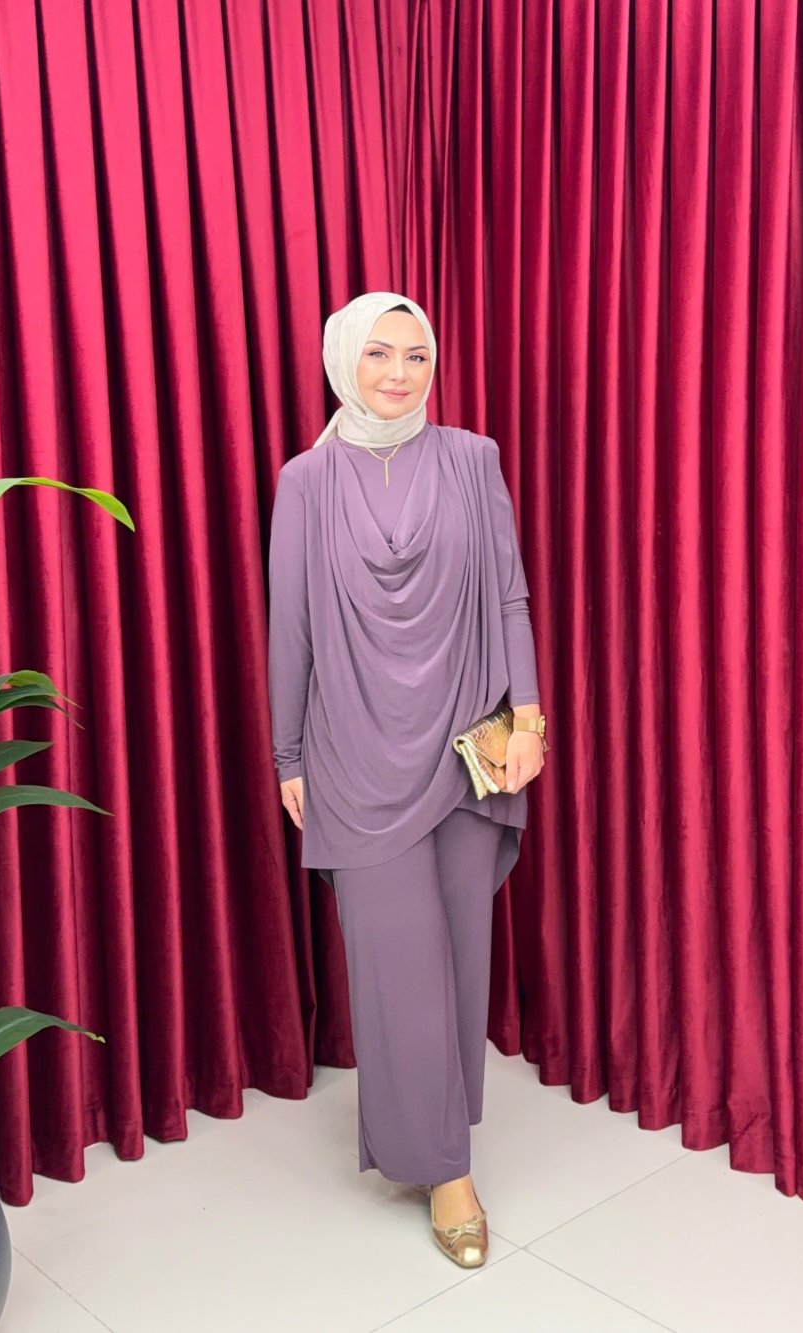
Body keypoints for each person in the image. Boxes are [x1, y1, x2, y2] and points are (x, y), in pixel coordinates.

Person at [266, 291, 547, 1267]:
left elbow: (508, 592)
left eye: (416, 354)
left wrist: (529, 717)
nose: (398, 372)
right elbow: (292, 626)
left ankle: (437, 1140)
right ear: (344, 359)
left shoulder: (472, 458)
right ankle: (444, 1170)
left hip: (469, 744)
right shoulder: (306, 481)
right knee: (398, 965)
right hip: (354, 753)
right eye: (379, 352)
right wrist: (289, 755)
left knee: (460, 953)